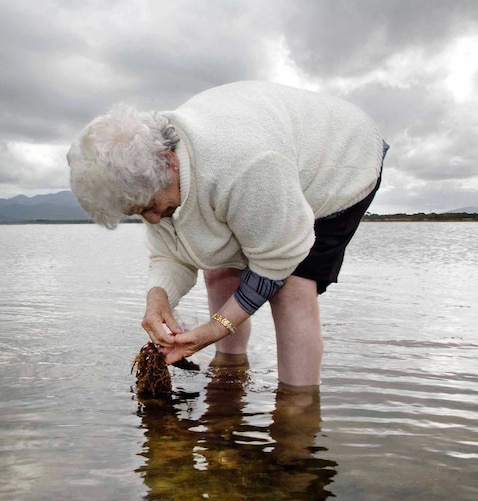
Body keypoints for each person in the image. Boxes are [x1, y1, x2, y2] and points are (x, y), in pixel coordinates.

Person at [67, 81, 388, 386]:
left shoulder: (246, 165)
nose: (151, 219)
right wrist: (158, 297)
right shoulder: (149, 171)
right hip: (262, 160)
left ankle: (298, 406)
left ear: (169, 163)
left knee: (292, 287)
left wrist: (214, 329)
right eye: (137, 214)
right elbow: (170, 252)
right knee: (218, 267)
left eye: (150, 206)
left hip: (342, 159)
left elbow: (278, 261)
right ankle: (230, 370)